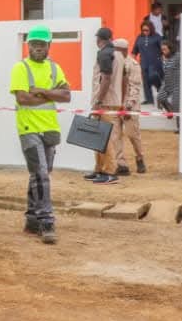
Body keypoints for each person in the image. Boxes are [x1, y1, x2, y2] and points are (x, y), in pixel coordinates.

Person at [9, 25, 70, 244]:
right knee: (41, 173)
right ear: (28, 46)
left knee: (40, 174)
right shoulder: (21, 68)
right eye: (34, 44)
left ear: (48, 46)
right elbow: (23, 98)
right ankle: (46, 220)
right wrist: (52, 94)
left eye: (42, 45)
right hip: (29, 129)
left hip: (50, 128)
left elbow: (67, 95)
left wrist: (41, 91)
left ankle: (32, 220)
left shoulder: (54, 68)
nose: (38, 48)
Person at [85, 27, 124, 185]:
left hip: (105, 103)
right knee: (99, 137)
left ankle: (110, 172)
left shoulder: (104, 54)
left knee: (106, 139)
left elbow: (106, 79)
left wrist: (98, 101)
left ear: (99, 39)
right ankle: (100, 169)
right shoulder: (119, 55)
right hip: (112, 101)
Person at [113, 38, 147, 175]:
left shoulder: (133, 65)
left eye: (117, 50)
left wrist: (128, 106)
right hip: (115, 105)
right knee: (115, 136)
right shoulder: (113, 63)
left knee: (133, 135)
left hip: (129, 106)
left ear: (124, 50)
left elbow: (135, 87)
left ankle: (139, 158)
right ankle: (121, 164)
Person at [132, 22, 164, 105]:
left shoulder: (157, 37)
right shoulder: (139, 37)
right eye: (143, 30)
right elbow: (135, 50)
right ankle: (149, 100)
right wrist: (132, 61)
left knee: (152, 77)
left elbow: (163, 49)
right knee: (145, 81)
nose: (145, 32)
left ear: (151, 29)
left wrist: (164, 58)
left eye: (147, 30)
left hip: (155, 62)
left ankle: (160, 87)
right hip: (143, 62)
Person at [158, 40, 181, 133]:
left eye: (165, 49)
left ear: (170, 49)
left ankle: (180, 128)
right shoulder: (163, 57)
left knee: (177, 106)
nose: (163, 51)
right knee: (160, 97)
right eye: (162, 50)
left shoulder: (178, 56)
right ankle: (170, 111)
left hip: (177, 84)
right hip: (167, 82)